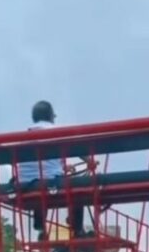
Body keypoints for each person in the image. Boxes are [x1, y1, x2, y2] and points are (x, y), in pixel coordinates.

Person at [15, 101, 94, 239]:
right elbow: (75, 148)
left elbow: (39, 164)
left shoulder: (24, 136)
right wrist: (89, 161)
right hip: (49, 182)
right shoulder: (54, 132)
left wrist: (62, 168)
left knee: (40, 186)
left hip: (25, 184)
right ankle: (77, 230)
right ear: (51, 116)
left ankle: (40, 225)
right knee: (79, 187)